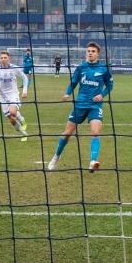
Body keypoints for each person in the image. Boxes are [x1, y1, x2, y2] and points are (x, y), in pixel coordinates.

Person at [48, 41, 112, 172]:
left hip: (95, 105)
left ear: (98, 54)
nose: (90, 53)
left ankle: (93, 161)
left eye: (93, 51)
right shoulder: (81, 67)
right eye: (88, 51)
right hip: (80, 104)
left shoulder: (103, 69)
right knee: (67, 133)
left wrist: (102, 95)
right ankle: (56, 157)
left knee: (95, 132)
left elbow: (110, 86)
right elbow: (73, 83)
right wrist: (67, 93)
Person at [0, 51, 30, 138]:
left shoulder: (14, 68)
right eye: (1, 58)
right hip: (2, 96)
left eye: (5, 58)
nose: (3, 59)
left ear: (9, 59)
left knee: (13, 112)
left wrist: (24, 91)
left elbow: (24, 77)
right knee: (11, 120)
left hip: (13, 94)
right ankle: (23, 133)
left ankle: (21, 119)